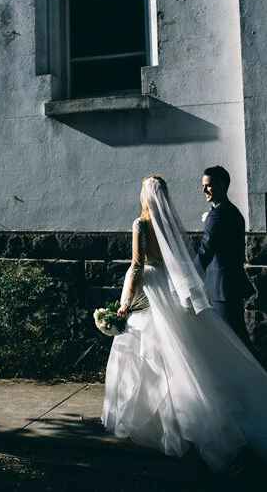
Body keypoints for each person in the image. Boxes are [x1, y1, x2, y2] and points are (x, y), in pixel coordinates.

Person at [102, 176, 267, 472]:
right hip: (168, 287)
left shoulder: (140, 224)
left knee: (151, 354)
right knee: (179, 352)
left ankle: (168, 423)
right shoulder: (168, 224)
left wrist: (125, 303)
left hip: (150, 288)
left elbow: (137, 265)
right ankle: (185, 416)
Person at [195, 165, 253, 345]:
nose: (204, 189)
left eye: (209, 185)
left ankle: (256, 373)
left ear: (221, 185)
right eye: (203, 185)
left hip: (222, 289)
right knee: (234, 339)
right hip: (228, 286)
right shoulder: (232, 211)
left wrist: (188, 276)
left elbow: (205, 250)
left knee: (234, 341)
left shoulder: (218, 215)